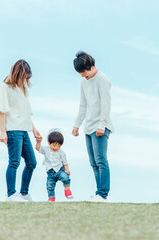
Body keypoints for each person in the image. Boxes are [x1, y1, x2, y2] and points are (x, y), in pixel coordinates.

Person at [0, 59, 41, 202]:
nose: (25, 80)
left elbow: (26, 112)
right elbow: (2, 111)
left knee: (32, 162)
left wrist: (34, 130)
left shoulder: (22, 89)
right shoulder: (5, 87)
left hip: (24, 130)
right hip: (13, 130)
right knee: (14, 162)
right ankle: (11, 194)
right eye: (24, 77)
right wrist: (3, 132)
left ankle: (24, 194)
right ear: (18, 73)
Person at [72, 51, 114, 202]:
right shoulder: (83, 82)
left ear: (91, 66)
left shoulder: (102, 79)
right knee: (93, 163)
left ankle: (103, 194)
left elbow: (106, 104)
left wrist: (102, 124)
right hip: (88, 127)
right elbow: (83, 105)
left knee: (101, 160)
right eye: (80, 73)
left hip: (101, 127)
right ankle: (98, 194)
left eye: (83, 71)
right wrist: (77, 124)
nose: (82, 75)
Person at [35, 128, 74, 202]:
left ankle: (67, 191)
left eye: (59, 146)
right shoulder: (46, 149)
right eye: (54, 145)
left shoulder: (61, 152)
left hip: (60, 170)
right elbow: (38, 148)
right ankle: (51, 198)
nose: (56, 148)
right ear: (49, 142)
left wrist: (67, 170)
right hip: (50, 172)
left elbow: (65, 163)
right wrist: (38, 142)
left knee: (65, 177)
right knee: (50, 185)